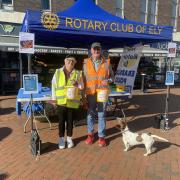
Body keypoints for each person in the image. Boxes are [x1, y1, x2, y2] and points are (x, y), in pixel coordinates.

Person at [83, 42, 114, 147]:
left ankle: (101, 137)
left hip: (102, 93)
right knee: (90, 114)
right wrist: (82, 94)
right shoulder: (85, 63)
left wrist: (108, 80)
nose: (96, 51)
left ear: (100, 51)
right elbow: (82, 79)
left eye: (98, 49)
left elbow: (112, 78)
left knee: (101, 115)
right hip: (90, 93)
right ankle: (90, 135)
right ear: (91, 50)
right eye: (94, 49)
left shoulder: (107, 63)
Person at [51, 55, 83, 149]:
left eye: (73, 61)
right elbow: (53, 86)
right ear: (65, 62)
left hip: (72, 102)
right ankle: (61, 139)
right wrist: (54, 99)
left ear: (75, 63)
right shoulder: (58, 72)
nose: (70, 63)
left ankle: (69, 138)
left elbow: (81, 87)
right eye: (68, 61)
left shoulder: (78, 73)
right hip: (61, 102)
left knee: (70, 121)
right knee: (61, 121)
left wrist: (77, 84)